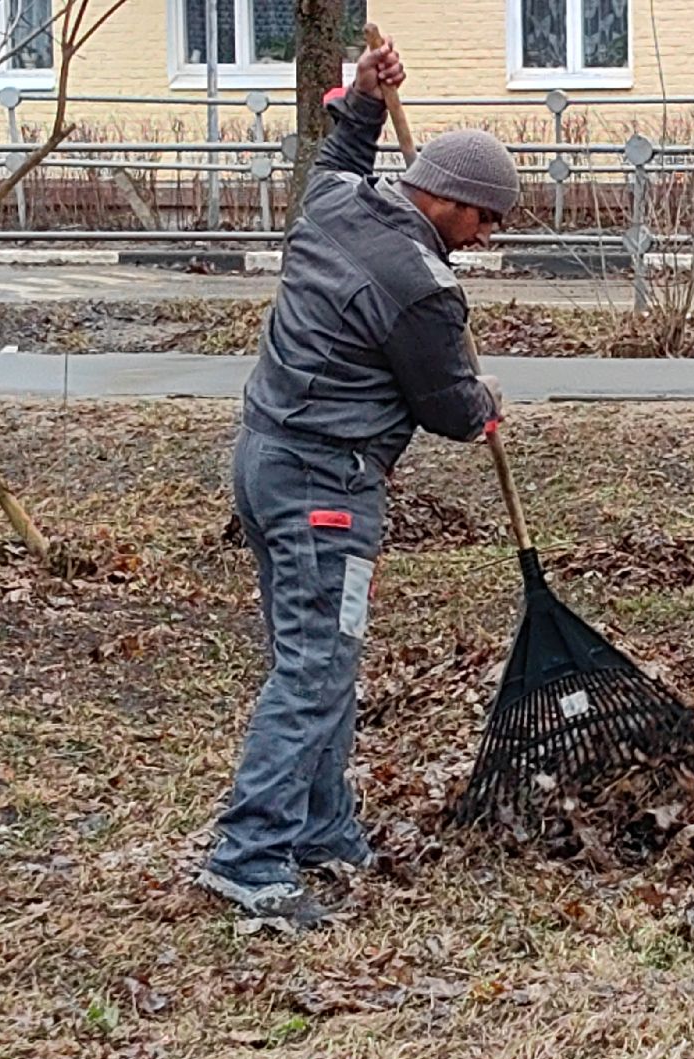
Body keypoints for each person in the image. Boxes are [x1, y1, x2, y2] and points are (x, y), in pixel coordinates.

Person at [198, 34, 520, 928]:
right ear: (448, 201)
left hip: (265, 460)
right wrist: (484, 401)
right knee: (314, 669)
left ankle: (322, 828)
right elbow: (450, 407)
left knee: (317, 662)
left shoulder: (336, 200)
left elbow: (340, 148)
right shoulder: (419, 283)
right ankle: (251, 856)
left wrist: (368, 95)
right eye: (486, 219)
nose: (488, 238)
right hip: (325, 489)